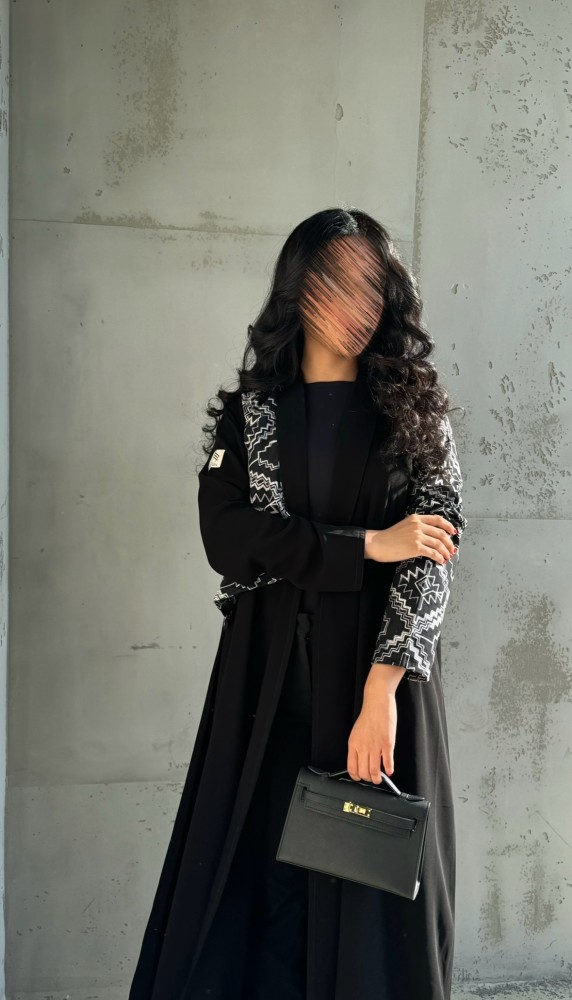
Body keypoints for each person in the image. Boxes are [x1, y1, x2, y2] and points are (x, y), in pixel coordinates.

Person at [128, 207, 468, 1000]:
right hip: (268, 677)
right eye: (336, 283)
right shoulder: (254, 414)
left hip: (381, 678)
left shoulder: (415, 410)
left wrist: (382, 694)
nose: (358, 306)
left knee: (375, 892)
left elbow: (434, 553)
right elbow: (229, 536)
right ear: (297, 288)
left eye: (372, 288)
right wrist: (368, 545)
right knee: (253, 884)